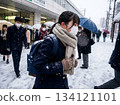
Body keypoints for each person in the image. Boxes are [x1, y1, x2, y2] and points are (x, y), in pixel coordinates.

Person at [33, 11, 80, 89]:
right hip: (47, 85)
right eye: (74, 25)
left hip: (61, 83)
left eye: (77, 25)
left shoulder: (68, 40)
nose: (76, 28)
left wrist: (71, 62)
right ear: (63, 24)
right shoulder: (50, 40)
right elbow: (38, 66)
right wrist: (61, 65)